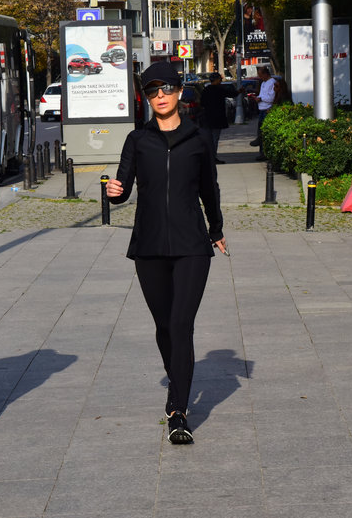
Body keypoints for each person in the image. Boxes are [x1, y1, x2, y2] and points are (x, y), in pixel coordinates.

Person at [105, 61, 227, 445]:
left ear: (180, 92)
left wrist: (216, 230)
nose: (160, 96)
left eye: (167, 89)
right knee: (164, 326)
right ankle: (178, 379)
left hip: (192, 245)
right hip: (150, 245)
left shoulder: (199, 138)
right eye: (152, 91)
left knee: (180, 324)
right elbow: (123, 186)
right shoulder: (137, 140)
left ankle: (178, 410)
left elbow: (209, 188)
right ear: (146, 97)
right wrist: (114, 192)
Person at [201, 72, 241, 164]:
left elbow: (202, 103)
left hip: (207, 118)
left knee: (208, 139)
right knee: (215, 139)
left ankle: (208, 157)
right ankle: (213, 157)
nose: (221, 80)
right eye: (220, 79)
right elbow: (231, 94)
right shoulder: (219, 89)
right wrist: (239, 91)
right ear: (216, 80)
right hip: (217, 119)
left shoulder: (206, 90)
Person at [250, 66, 276, 161]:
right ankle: (262, 152)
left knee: (264, 132)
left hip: (266, 109)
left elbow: (271, 97)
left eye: (261, 75)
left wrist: (261, 99)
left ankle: (265, 152)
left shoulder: (272, 82)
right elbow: (262, 95)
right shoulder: (263, 83)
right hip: (261, 108)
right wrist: (257, 98)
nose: (260, 77)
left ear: (265, 74)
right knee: (260, 132)